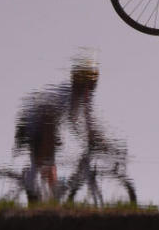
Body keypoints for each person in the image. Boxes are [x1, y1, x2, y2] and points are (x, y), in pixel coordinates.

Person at [13, 59, 106, 202]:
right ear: (82, 83)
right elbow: (48, 116)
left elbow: (84, 122)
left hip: (45, 122)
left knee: (50, 161)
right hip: (34, 122)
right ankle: (31, 185)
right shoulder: (67, 94)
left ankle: (51, 198)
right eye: (90, 83)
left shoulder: (81, 96)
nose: (92, 87)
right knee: (44, 157)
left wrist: (98, 139)